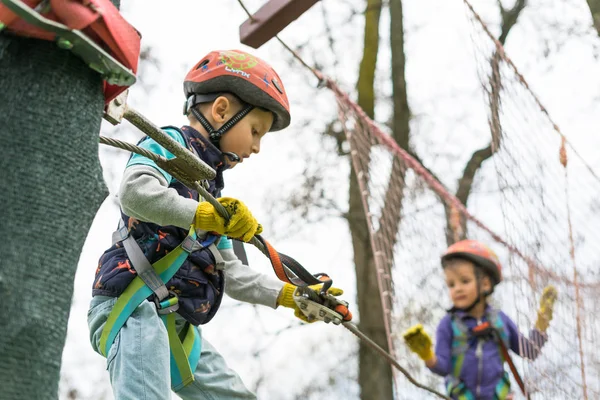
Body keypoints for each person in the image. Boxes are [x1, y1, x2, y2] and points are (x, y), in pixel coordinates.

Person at [88, 49, 346, 400]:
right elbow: (135, 192)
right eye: (255, 131)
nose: (256, 147)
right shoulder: (170, 144)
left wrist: (289, 296)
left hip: (175, 321)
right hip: (133, 307)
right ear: (221, 110)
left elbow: (231, 273)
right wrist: (204, 216)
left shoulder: (211, 192)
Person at [403, 239, 557, 400]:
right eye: (451, 284)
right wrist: (427, 355)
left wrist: (542, 324)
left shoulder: (500, 320)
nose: (458, 289)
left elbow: (529, 351)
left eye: (464, 281)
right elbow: (443, 368)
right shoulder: (448, 325)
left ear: (485, 284)